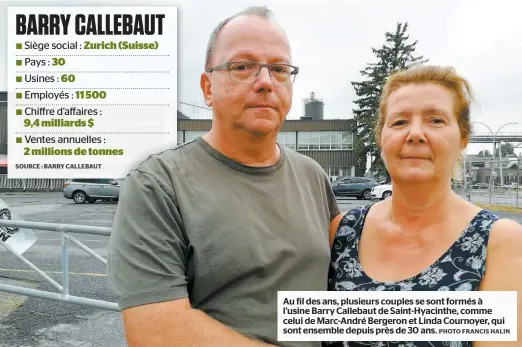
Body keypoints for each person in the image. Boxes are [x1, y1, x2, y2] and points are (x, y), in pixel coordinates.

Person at [107, 6, 339, 347]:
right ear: (207, 87)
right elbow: (157, 334)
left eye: (279, 68)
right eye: (242, 67)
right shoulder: (158, 183)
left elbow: (334, 294)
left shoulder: (312, 176)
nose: (265, 82)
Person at [325, 65, 522, 347]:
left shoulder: (497, 242)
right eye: (400, 122)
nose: (415, 134)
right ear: (381, 138)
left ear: (463, 139)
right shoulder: (342, 232)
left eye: (436, 121)